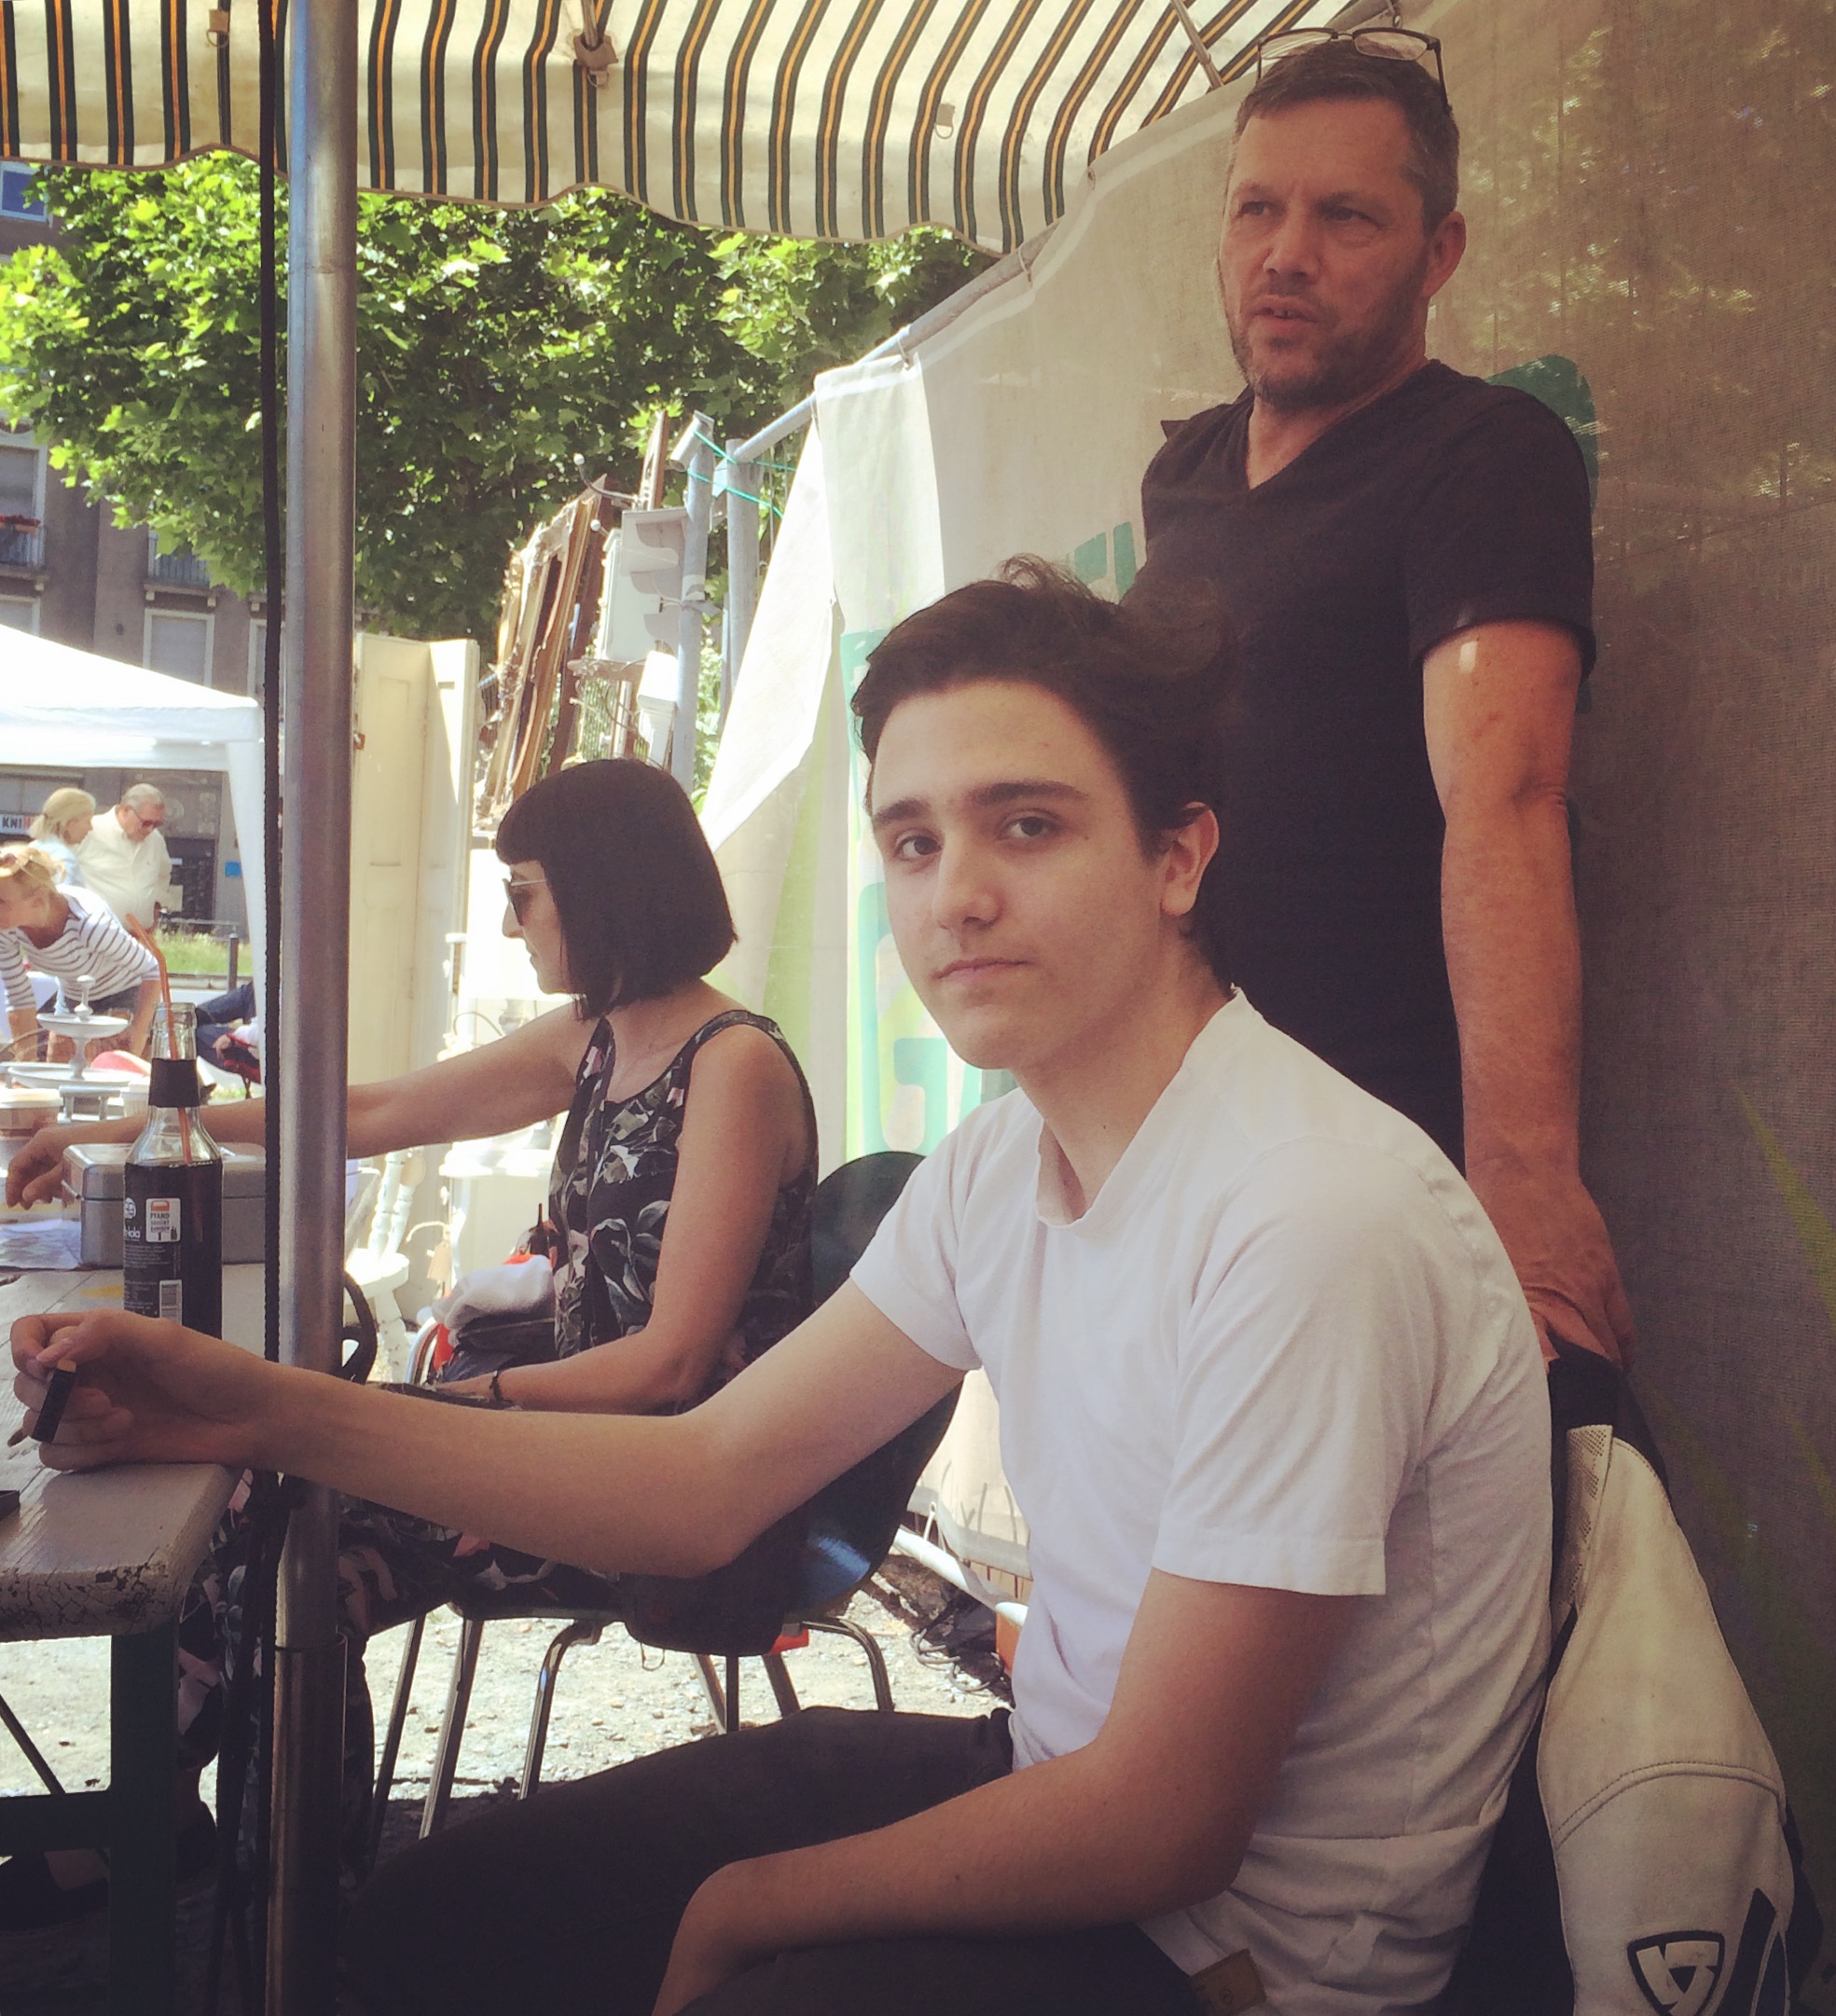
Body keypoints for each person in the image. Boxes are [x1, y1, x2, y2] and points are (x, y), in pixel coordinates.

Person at [13, 566, 1550, 2016]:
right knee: (438, 1918)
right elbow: (705, 1478)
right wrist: (253, 1407)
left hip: (1241, 1961)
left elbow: (1163, 1823)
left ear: (1177, 856)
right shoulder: (1003, 1162)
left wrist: (748, 1907)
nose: (956, 896)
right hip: (1050, 1778)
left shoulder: (1306, 1210)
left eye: (1027, 825)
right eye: (913, 842)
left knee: (704, 1946)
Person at [2, 756, 818, 1925]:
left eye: (524, 893)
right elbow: (370, 1110)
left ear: (600, 888)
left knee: (285, 1530)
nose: (511, 923)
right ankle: (216, 1851)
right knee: (263, 1510)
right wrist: (140, 1122)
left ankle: (280, 1901)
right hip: (570, 1441)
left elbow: (672, 1365)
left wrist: (432, 1410)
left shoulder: (732, 1064)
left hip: (666, 1488)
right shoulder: (601, 1035)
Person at [1127, 33, 1632, 1366]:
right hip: (1182, 1131)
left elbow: (1508, 796)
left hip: (1380, 1157)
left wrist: (1523, 1176)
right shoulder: (1181, 475)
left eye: (1344, 216)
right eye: (1256, 208)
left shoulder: (1484, 453)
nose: (1284, 254)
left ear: (1438, 252)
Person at [0, 842, 160, 1060]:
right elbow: (19, 998)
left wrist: (138, 1032)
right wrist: (24, 1067)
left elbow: (152, 969)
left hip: (124, 993)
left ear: (37, 901)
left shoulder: (91, 926)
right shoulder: (7, 929)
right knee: (57, 1072)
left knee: (109, 1071)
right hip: (73, 995)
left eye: (1, 902)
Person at [73, 780, 173, 935]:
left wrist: (156, 907)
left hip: (139, 936)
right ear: (126, 810)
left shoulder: (155, 840)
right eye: (146, 823)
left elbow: (163, 876)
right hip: (94, 935)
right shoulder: (90, 830)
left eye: (157, 824)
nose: (150, 829)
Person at [26, 786, 96, 885]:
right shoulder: (64, 859)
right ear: (70, 824)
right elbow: (58, 893)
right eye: (88, 822)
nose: (91, 828)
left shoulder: (31, 848)